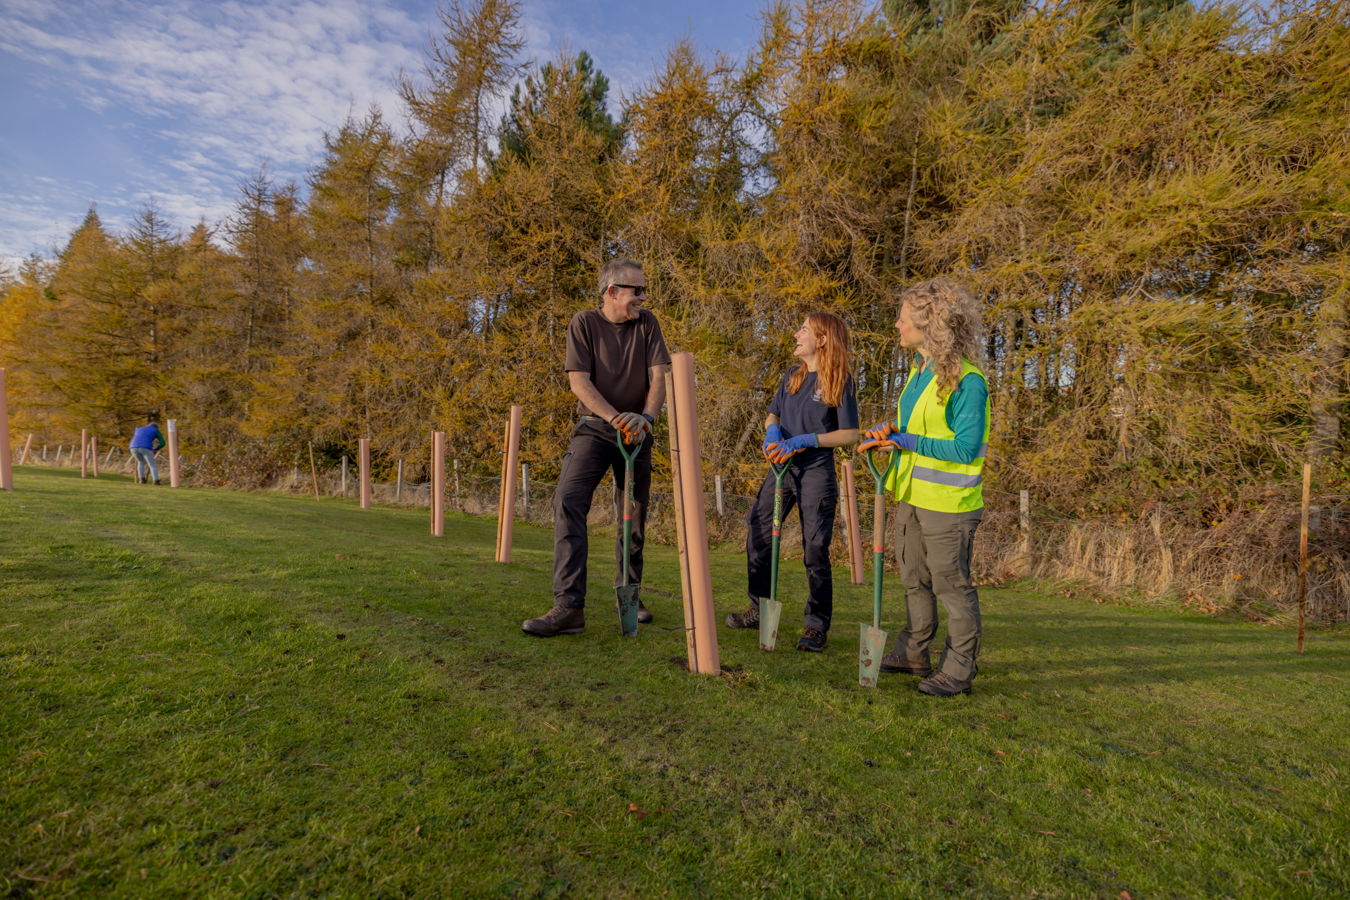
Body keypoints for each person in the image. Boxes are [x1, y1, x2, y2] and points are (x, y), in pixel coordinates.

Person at [522, 258, 671, 637]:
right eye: (635, 290)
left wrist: (647, 419)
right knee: (568, 500)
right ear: (612, 291)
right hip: (594, 428)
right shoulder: (584, 323)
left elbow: (659, 379)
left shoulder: (648, 324)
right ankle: (568, 606)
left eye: (642, 290)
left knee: (632, 516)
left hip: (636, 433)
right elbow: (580, 383)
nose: (642, 297)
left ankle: (630, 596)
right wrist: (614, 418)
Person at [863, 278, 990, 697]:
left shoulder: (968, 383)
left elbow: (967, 446)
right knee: (914, 578)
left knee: (952, 585)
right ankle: (914, 652)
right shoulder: (919, 374)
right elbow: (915, 428)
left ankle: (957, 670)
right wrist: (891, 431)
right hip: (912, 497)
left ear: (927, 323)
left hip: (950, 506)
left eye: (903, 318)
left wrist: (908, 440)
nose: (896, 325)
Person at [725, 312, 859, 652]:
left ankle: (816, 626)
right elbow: (775, 414)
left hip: (815, 474)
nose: (796, 334)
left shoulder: (840, 379)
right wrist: (772, 430)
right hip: (781, 471)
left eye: (803, 330)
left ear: (823, 339)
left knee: (814, 550)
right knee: (758, 533)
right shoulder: (792, 376)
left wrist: (806, 440)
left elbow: (850, 434)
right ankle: (759, 607)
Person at [129, 419, 167, 485]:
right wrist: (156, 449)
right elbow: (162, 443)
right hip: (146, 447)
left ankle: (142, 480)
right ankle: (156, 481)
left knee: (140, 462)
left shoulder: (138, 429)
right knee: (152, 464)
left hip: (133, 447)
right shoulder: (156, 430)